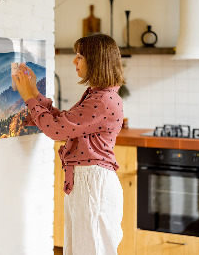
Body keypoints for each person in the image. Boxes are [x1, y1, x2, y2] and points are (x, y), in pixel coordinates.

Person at [13, 33, 125, 255]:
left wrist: (29, 98)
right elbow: (64, 122)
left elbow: (56, 130)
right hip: (88, 182)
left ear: (96, 61)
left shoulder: (102, 100)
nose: (74, 61)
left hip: (93, 185)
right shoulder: (98, 95)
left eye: (80, 56)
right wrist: (34, 92)